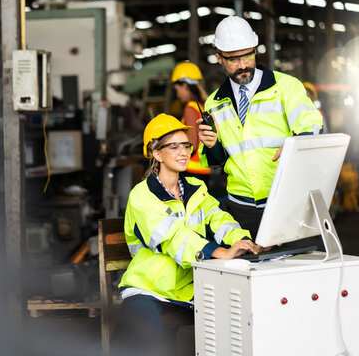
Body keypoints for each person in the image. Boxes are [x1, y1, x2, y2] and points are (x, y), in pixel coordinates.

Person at [111, 113, 261, 356]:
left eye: (186, 145)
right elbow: (173, 236)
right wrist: (218, 252)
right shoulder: (142, 196)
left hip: (191, 289)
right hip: (149, 289)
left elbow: (218, 219)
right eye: (174, 146)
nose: (183, 152)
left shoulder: (196, 189)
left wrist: (242, 241)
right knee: (148, 343)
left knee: (238, 323)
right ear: (156, 154)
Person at [197, 15, 323, 238]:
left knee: (295, 268)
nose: (243, 65)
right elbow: (217, 161)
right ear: (219, 58)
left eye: (248, 55)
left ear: (255, 50)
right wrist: (211, 144)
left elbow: (312, 126)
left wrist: (295, 146)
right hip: (241, 209)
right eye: (234, 59)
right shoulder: (213, 103)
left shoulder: (286, 87)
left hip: (287, 202)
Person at [170, 61, 210, 179]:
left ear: (185, 86)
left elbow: (192, 143)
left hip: (191, 169)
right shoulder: (202, 106)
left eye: (177, 90)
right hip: (202, 168)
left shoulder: (190, 108)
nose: (177, 95)